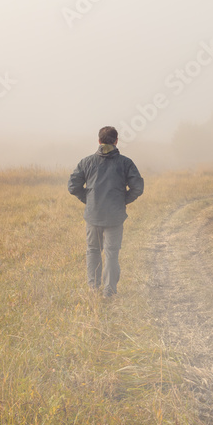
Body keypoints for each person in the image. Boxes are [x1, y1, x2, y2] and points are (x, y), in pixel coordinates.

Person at [68, 126, 144, 297]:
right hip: (115, 217)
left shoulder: (86, 162)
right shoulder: (126, 163)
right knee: (111, 253)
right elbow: (137, 188)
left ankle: (93, 289)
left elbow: (73, 187)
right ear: (116, 141)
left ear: (99, 141)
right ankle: (109, 292)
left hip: (93, 215)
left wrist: (88, 200)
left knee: (93, 251)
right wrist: (123, 200)